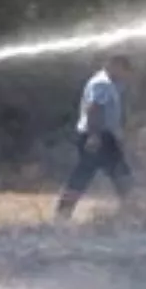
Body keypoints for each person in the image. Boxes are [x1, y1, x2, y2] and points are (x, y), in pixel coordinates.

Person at [54, 54, 134, 221]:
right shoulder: (102, 83)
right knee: (115, 174)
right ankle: (133, 211)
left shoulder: (109, 83)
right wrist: (94, 136)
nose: (126, 74)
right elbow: (94, 109)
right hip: (99, 137)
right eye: (124, 69)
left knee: (87, 175)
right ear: (114, 64)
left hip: (103, 137)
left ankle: (63, 213)